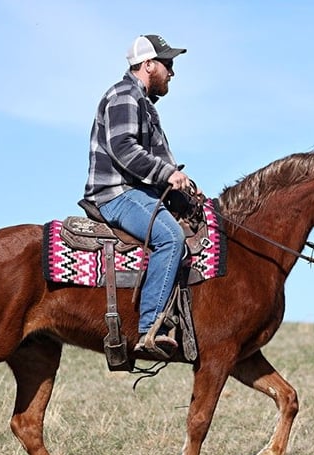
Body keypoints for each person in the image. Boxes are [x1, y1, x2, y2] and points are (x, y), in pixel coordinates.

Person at [84, 34, 191, 358]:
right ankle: (151, 328)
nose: (172, 72)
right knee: (171, 237)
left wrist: (185, 184)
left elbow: (160, 159)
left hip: (139, 191)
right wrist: (167, 174)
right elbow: (124, 148)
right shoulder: (124, 95)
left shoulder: (144, 104)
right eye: (167, 64)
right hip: (116, 193)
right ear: (148, 65)